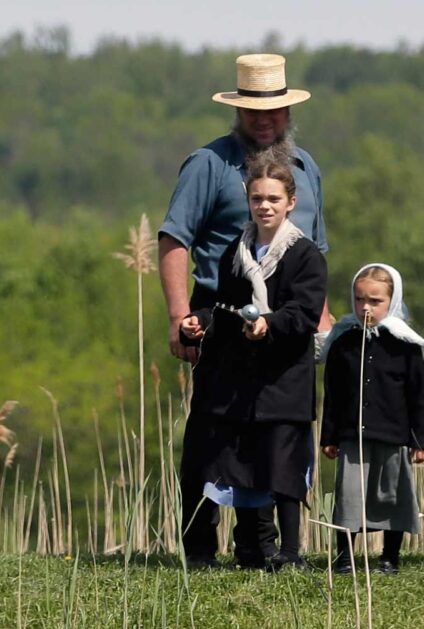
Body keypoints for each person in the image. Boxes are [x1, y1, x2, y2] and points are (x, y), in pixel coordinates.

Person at [159, 53, 329, 567]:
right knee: (213, 437)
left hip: (285, 327)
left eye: (274, 110)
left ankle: (259, 549)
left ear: (288, 112)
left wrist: (319, 318)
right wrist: (178, 315)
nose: (264, 119)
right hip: (222, 316)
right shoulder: (208, 164)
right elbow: (174, 238)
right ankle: (199, 549)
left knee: (270, 436)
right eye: (254, 109)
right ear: (238, 110)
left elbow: (315, 250)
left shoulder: (306, 169)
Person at [178, 152, 326, 570]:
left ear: (291, 202)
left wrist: (269, 324)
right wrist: (199, 322)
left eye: (274, 199)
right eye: (258, 197)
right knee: (245, 465)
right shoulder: (234, 253)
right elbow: (221, 305)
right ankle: (250, 551)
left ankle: (291, 553)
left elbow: (305, 314)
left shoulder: (306, 255)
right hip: (241, 380)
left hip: (285, 380)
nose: (265, 206)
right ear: (248, 199)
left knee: (283, 469)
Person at [320, 264, 424, 575]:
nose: (366, 308)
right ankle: (345, 557)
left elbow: (419, 396)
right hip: (351, 435)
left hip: (394, 434)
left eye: (375, 300)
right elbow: (332, 393)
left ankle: (390, 558)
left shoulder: (406, 346)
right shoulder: (342, 343)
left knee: (392, 495)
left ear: (392, 301)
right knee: (349, 497)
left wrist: (421, 440)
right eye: (360, 300)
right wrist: (329, 435)